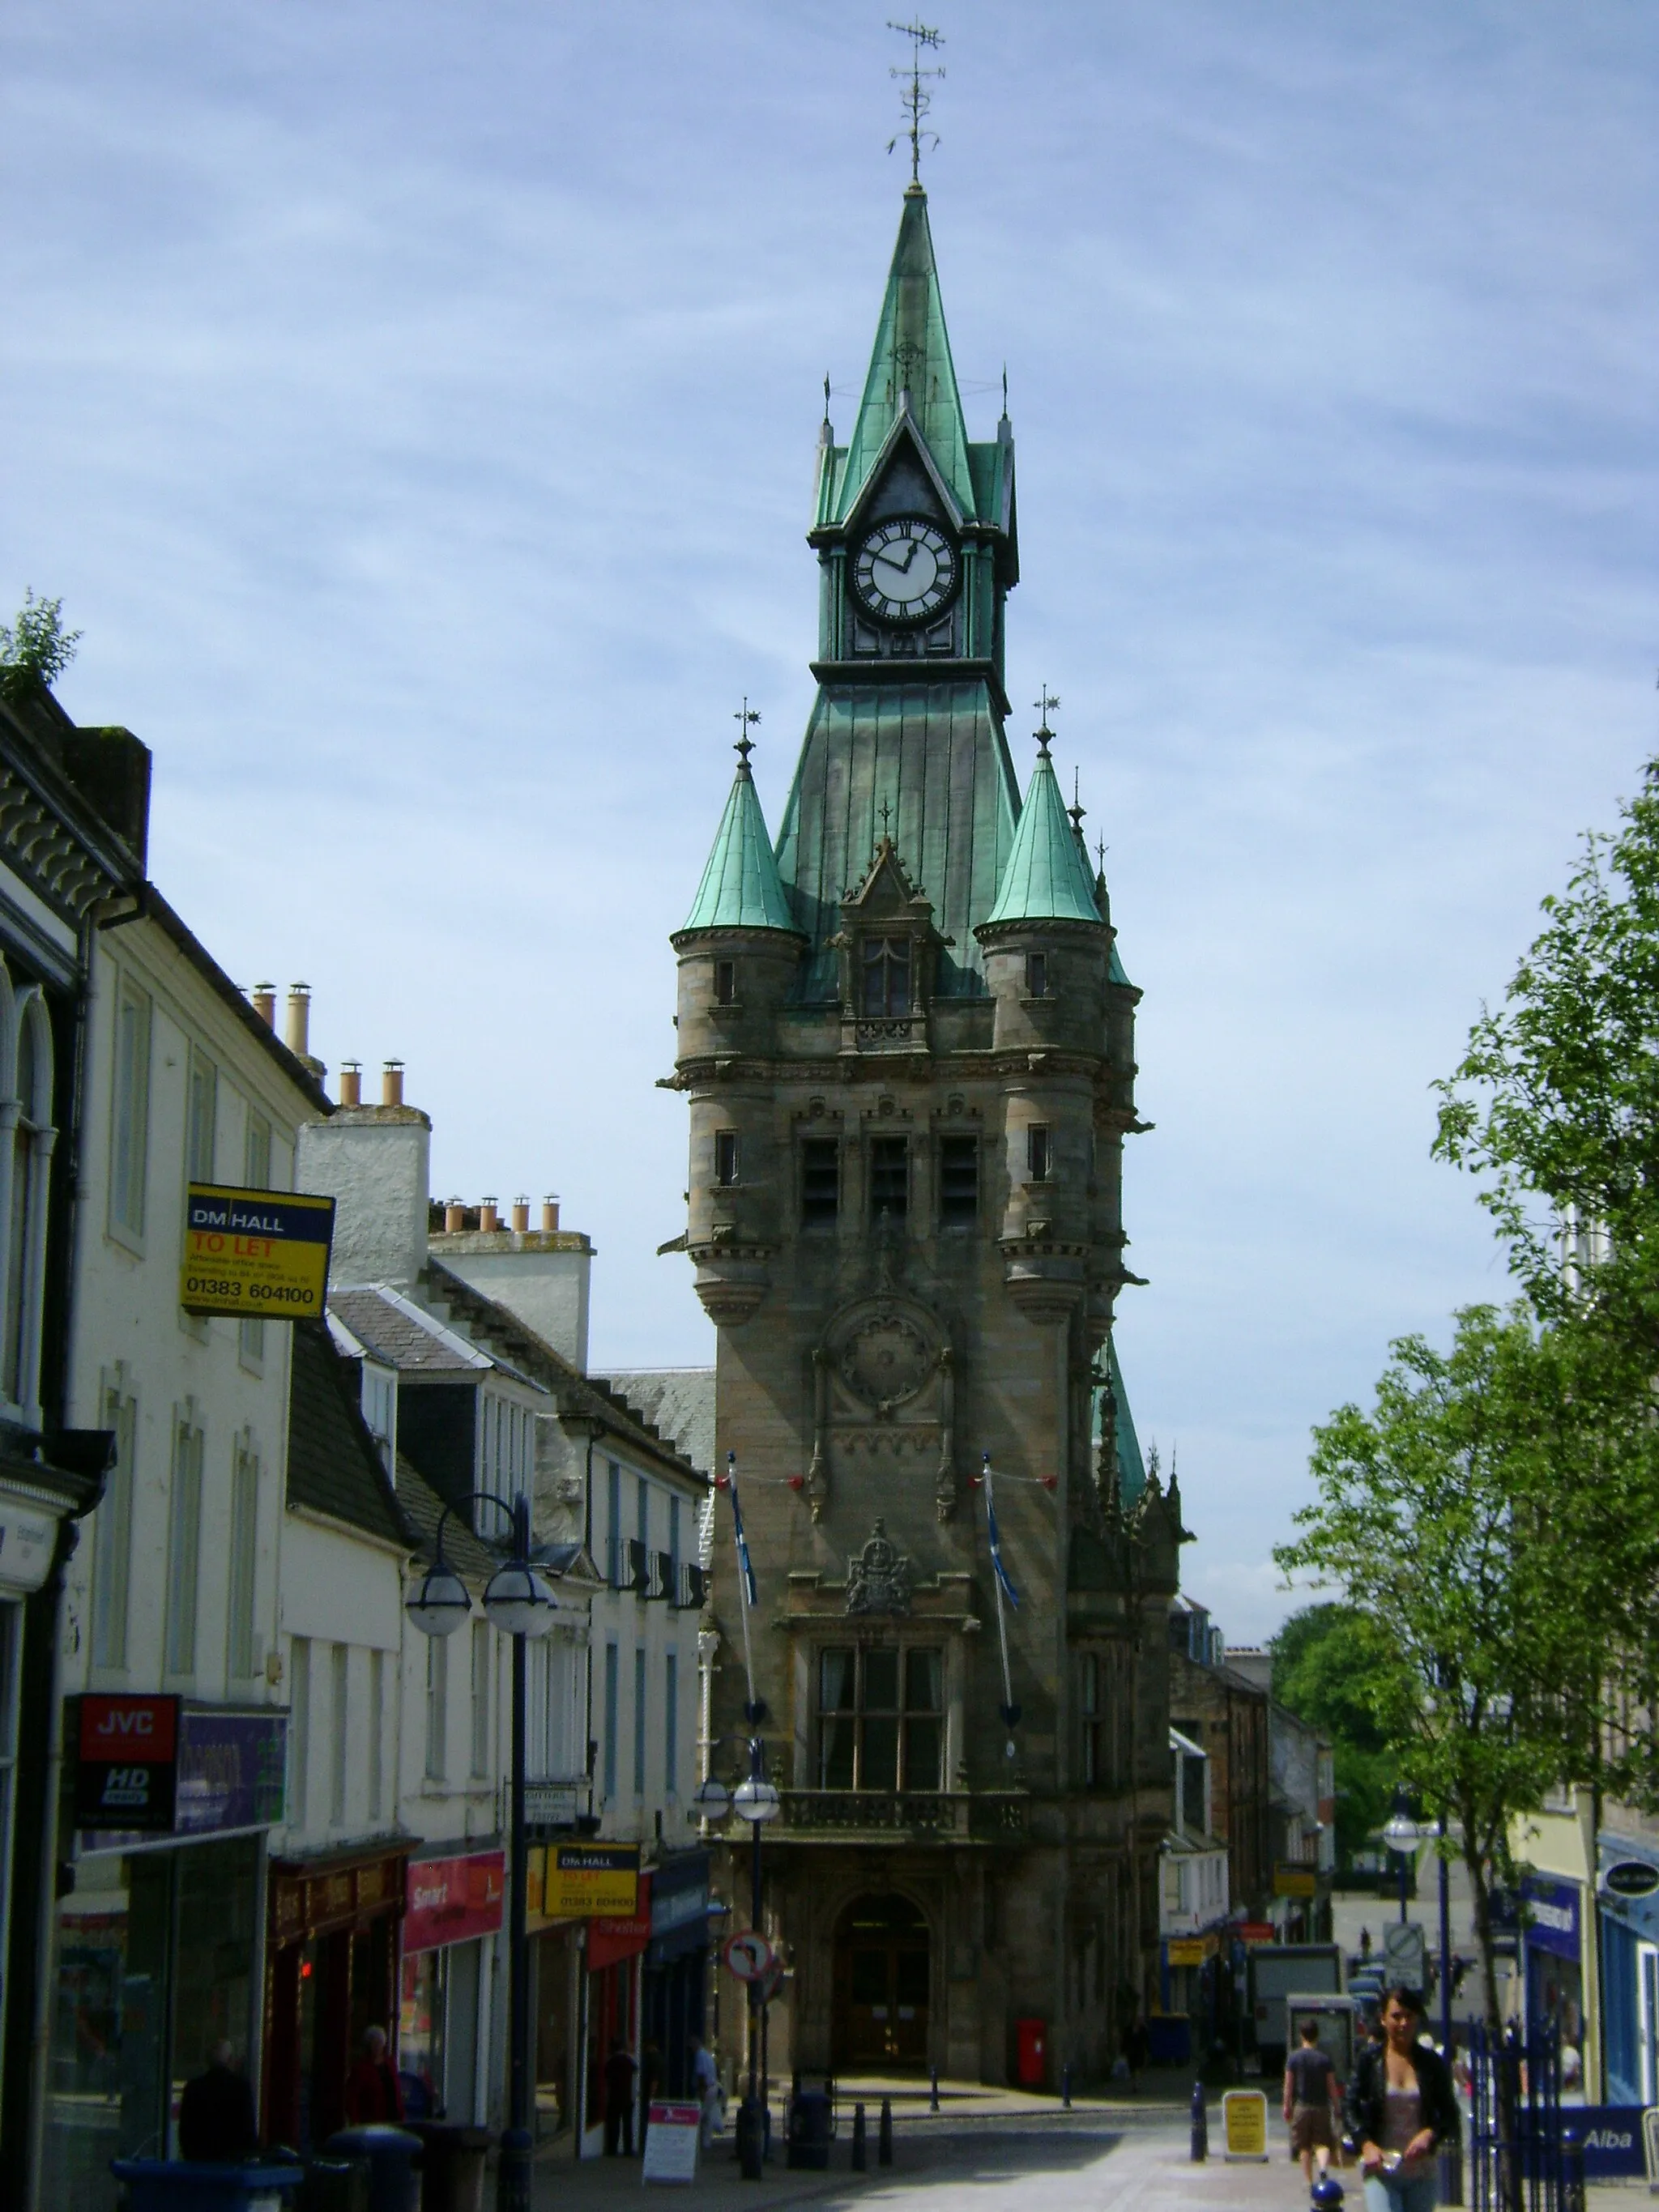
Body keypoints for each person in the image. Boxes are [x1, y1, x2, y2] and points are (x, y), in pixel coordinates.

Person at [1345, 1986, 1460, 2212]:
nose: (1404, 2024)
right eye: (1396, 2016)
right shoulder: (1369, 2060)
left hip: (1421, 2172)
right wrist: (1366, 2144)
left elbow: (1449, 2114)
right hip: (1382, 2169)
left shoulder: (1430, 2063)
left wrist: (1430, 2134)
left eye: (1409, 2016)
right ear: (1383, 2019)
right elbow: (1350, 2106)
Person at [178, 2040, 258, 2162]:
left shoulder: (194, 2088)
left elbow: (185, 2131)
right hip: (232, 2163)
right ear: (230, 2060)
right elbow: (248, 2130)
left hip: (200, 2163)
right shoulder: (240, 2088)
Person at [1283, 2018, 1341, 2187]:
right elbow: (1332, 2086)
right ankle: (1323, 2168)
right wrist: (1337, 2107)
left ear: (1302, 2035)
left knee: (1304, 2146)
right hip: (1322, 2106)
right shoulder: (1324, 2059)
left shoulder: (1293, 2058)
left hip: (1302, 2106)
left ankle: (1309, 2181)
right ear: (1317, 2036)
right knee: (1322, 2142)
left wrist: (1287, 2106)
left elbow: (1289, 2086)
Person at [343, 2025, 405, 2125]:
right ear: (368, 2045)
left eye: (379, 2043)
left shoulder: (390, 2064)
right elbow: (352, 2098)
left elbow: (396, 2090)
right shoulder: (361, 2069)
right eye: (374, 2043)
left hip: (393, 2119)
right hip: (371, 2121)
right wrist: (355, 2121)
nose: (377, 2046)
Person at [603, 2037, 638, 2157]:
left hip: (614, 2097)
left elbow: (606, 2076)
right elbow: (635, 2070)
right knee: (627, 2125)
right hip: (627, 2097)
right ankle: (628, 2149)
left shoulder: (610, 2062)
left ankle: (612, 2149)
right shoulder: (628, 2061)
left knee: (614, 2124)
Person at [690, 2035, 720, 2147]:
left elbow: (701, 2075)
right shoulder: (707, 2055)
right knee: (708, 2117)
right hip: (713, 2087)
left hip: (706, 2089)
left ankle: (695, 2141)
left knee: (699, 2115)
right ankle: (706, 2143)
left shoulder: (700, 2055)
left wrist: (701, 2092)